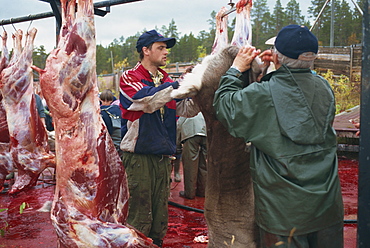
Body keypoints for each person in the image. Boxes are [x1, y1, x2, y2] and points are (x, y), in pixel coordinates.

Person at [213, 25, 344, 248]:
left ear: (277, 55)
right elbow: (296, 93)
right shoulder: (325, 87)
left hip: (281, 214)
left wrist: (236, 69)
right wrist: (272, 70)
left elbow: (225, 106)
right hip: (327, 207)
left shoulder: (262, 94)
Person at [119, 29, 199, 247]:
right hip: (139, 156)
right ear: (146, 51)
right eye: (161, 48)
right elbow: (145, 100)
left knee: (159, 216)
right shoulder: (130, 77)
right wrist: (177, 85)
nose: (166, 53)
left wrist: (202, 93)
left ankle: (157, 242)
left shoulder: (165, 79)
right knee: (139, 214)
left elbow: (186, 109)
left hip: (163, 156)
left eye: (166, 48)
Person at [177, 112, 207, 199]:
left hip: (191, 133)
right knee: (203, 164)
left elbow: (179, 126)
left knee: (190, 164)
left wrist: (177, 145)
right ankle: (202, 191)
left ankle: (189, 193)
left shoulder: (187, 111)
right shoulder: (202, 110)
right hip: (206, 134)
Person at [99, 89, 122, 153]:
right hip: (121, 143)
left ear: (100, 99)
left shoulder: (101, 111)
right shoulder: (118, 109)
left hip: (112, 145)